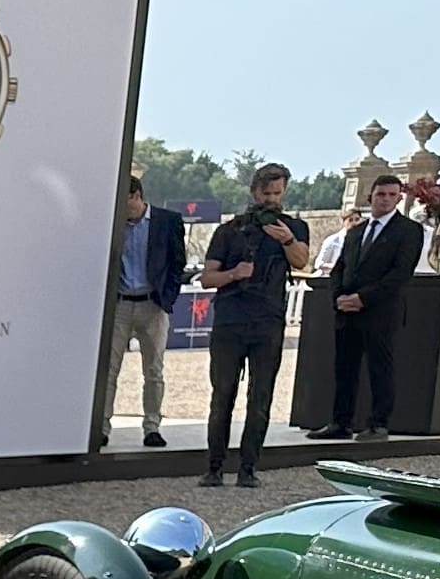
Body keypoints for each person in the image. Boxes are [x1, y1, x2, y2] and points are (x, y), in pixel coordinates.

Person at [198, 164, 304, 489]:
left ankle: (248, 468)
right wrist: (233, 274)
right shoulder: (230, 231)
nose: (271, 199)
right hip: (231, 320)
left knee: (261, 398)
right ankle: (214, 467)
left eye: (277, 193)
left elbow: (301, 261)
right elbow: (206, 278)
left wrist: (288, 240)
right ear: (254, 191)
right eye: (266, 193)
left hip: (268, 322)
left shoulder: (293, 227)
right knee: (222, 396)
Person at [321, 175, 420, 442]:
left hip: (379, 312)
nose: (385, 199)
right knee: (345, 368)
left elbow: (399, 274)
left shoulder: (408, 231)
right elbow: (340, 268)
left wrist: (363, 298)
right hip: (347, 311)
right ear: (371, 197)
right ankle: (341, 422)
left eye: (391, 195)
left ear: (399, 198)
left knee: (380, 369)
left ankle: (378, 424)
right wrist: (339, 297)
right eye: (381, 194)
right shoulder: (355, 232)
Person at [104, 179, 185, 450]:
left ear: (136, 196)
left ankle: (152, 426)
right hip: (120, 304)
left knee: (153, 370)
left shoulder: (167, 222)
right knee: (109, 370)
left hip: (153, 304)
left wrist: (167, 298)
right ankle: (101, 426)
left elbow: (177, 262)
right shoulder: (113, 222)